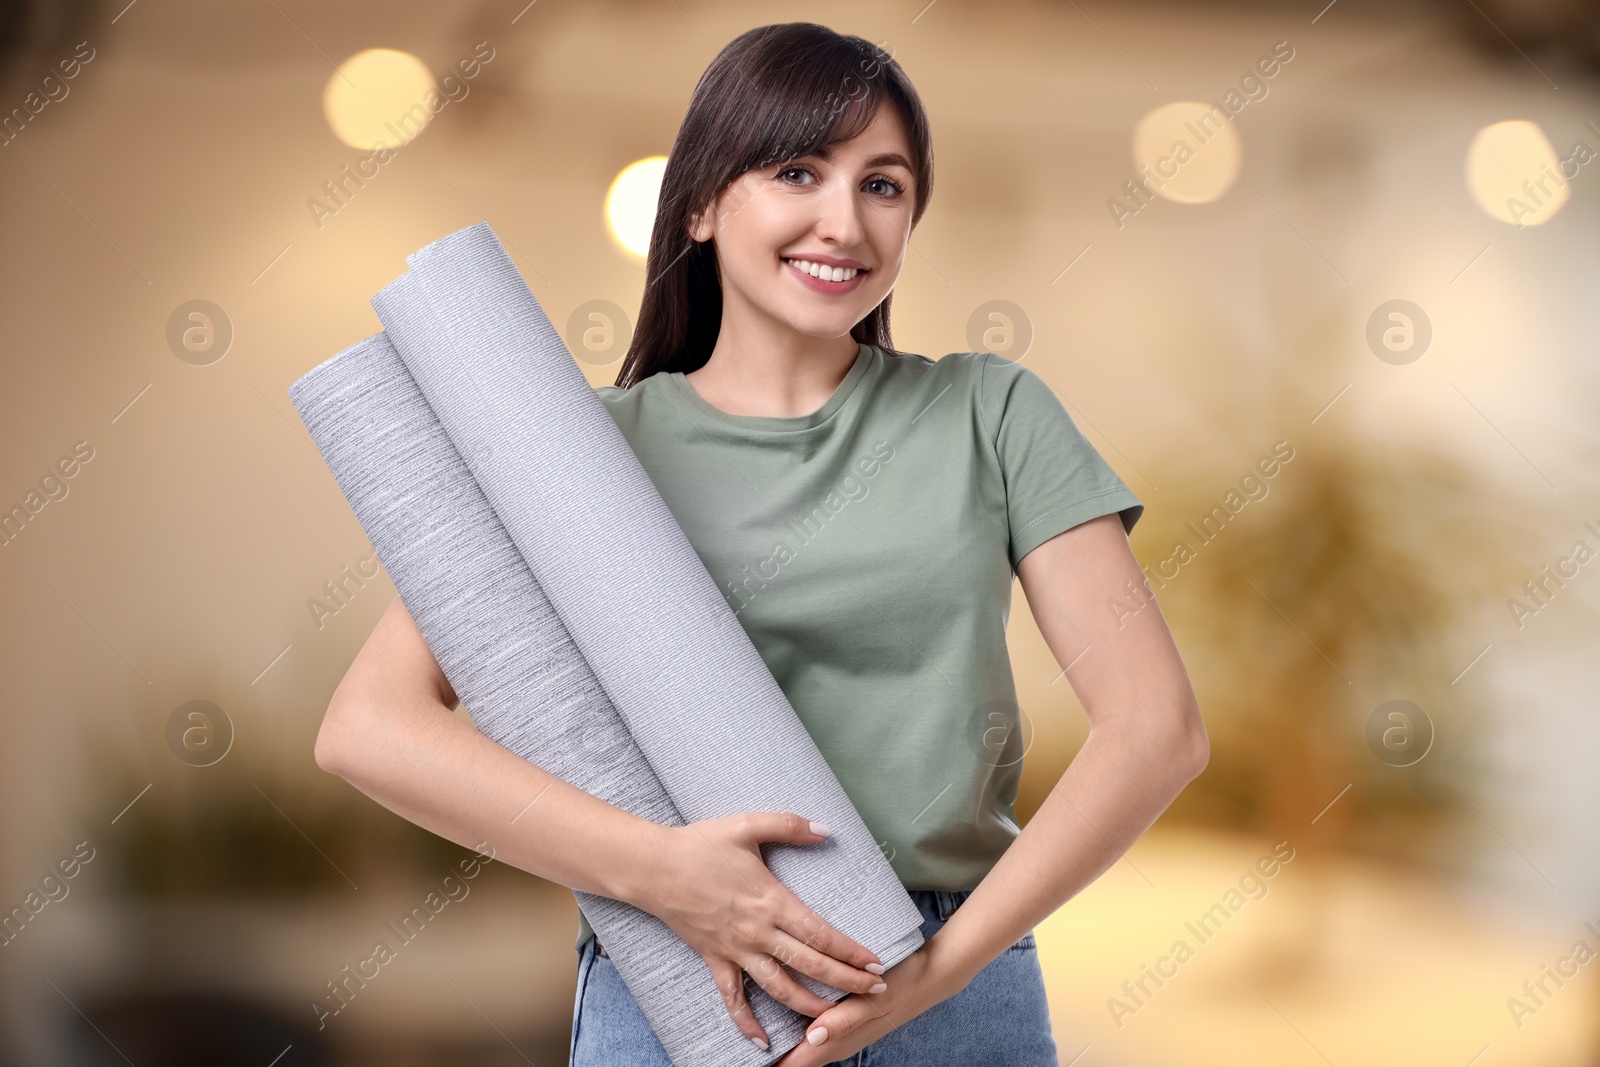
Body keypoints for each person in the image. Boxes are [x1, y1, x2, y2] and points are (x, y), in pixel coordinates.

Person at [314, 21, 1208, 1067]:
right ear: (698, 203)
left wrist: (936, 971)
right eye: (796, 170)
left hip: (954, 989)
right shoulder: (582, 449)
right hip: (683, 981)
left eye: (884, 185)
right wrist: (660, 871)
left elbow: (1155, 729)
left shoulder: (990, 411)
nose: (845, 220)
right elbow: (369, 726)